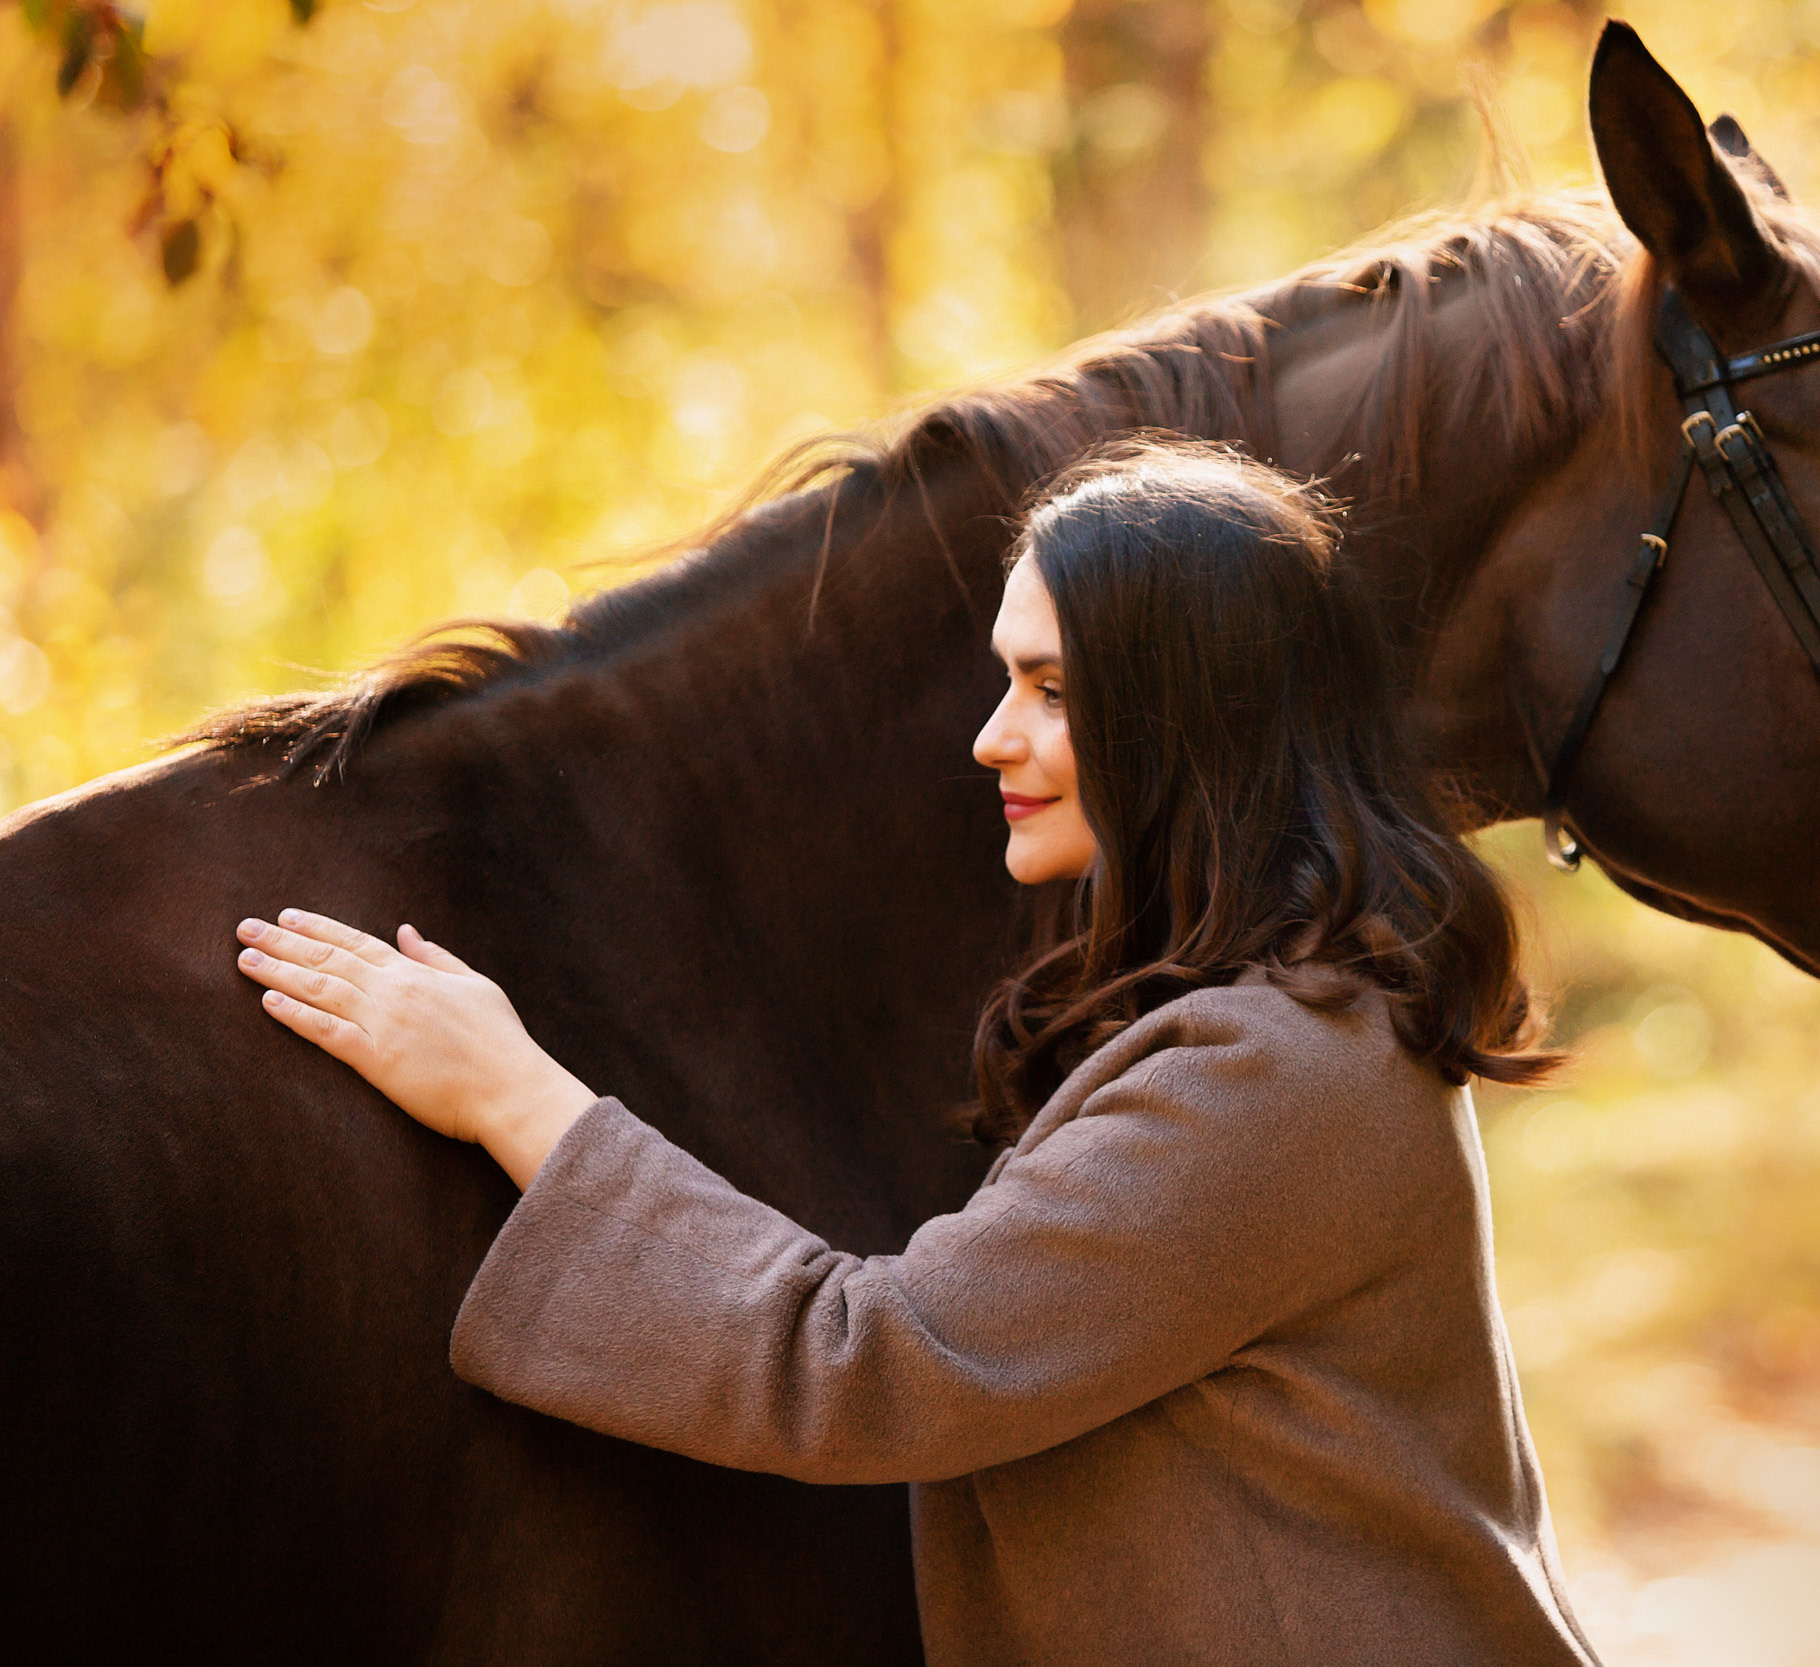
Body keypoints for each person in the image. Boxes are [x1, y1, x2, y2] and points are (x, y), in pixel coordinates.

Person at [233, 437, 1602, 1667]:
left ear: (1194, 715)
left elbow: (869, 1365)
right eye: (1009, 679)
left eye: (1053, 690)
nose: (993, 737)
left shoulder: (1275, 1076)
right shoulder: (1293, 1018)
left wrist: (512, 1096)